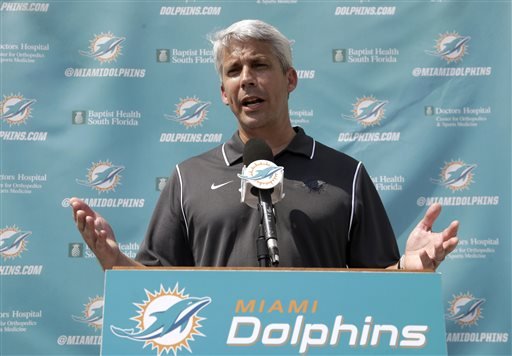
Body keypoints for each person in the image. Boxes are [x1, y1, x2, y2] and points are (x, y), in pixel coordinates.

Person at [70, 19, 459, 271]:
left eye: (259, 65)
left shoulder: (348, 175)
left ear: (290, 79)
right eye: (234, 71)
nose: (247, 79)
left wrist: (410, 267)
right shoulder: (187, 179)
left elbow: (378, 282)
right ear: (223, 93)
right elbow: (153, 286)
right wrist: (115, 260)